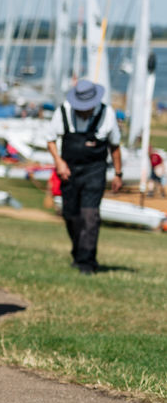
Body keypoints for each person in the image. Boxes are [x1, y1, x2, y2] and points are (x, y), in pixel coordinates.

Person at [45, 79, 123, 275]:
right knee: (71, 215)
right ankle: (79, 253)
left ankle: (87, 262)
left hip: (94, 171)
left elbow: (115, 147)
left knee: (90, 216)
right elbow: (50, 139)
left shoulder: (107, 115)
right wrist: (59, 162)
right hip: (68, 171)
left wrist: (118, 174)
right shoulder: (63, 112)